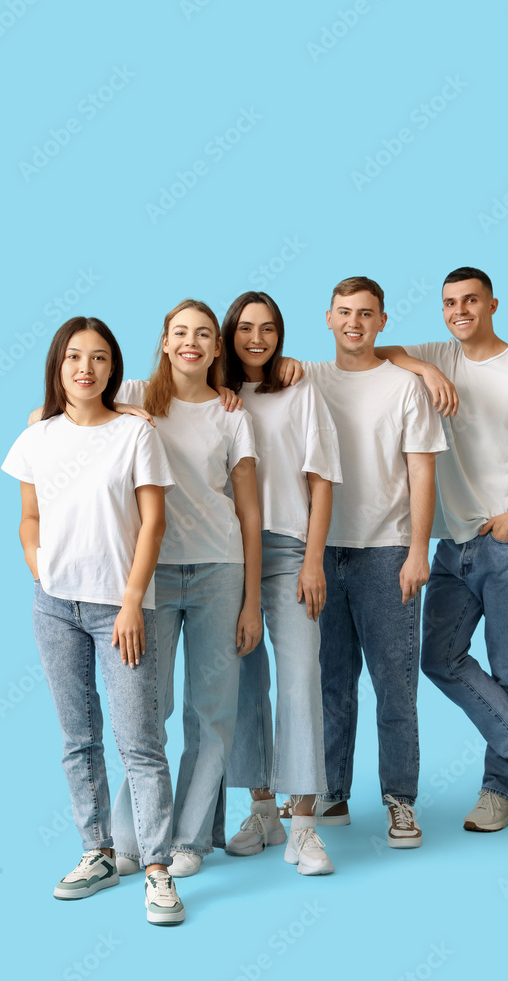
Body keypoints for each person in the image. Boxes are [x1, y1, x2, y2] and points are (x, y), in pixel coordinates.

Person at [376, 266, 508, 831]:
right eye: (448, 303)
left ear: (492, 304)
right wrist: (422, 368)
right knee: (439, 658)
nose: (459, 310)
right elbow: (379, 350)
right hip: (451, 546)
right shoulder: (440, 353)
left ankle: (499, 794)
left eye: (470, 300)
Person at [2, 317, 185, 925]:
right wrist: (41, 570)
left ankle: (156, 868)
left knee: (139, 740)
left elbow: (152, 523)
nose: (87, 367)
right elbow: (29, 517)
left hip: (119, 606)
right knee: (77, 738)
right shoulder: (37, 436)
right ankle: (97, 852)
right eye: (75, 356)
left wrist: (132, 601)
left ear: (113, 368)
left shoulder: (134, 434)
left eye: (100, 357)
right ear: (59, 365)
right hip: (54, 606)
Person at [287, 276, 447, 848]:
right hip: (321, 552)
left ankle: (400, 802)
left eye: (366, 314)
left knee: (395, 685)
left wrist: (417, 551)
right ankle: (332, 791)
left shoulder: (404, 386)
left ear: (382, 321)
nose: (354, 322)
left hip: (388, 552)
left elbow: (423, 471)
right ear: (327, 318)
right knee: (331, 681)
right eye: (344, 312)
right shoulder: (306, 378)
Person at [108, 299, 262, 878]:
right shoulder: (131, 395)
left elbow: (250, 513)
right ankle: (131, 837)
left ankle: (190, 840)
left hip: (219, 571)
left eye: (203, 334)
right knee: (146, 710)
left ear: (217, 348)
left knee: (212, 712)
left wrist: (251, 600)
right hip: (149, 578)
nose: (192, 341)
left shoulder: (232, 414)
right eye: (181, 333)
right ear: (166, 341)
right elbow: (57, 415)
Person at [220, 291, 342, 876]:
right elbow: (145, 392)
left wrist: (314, 560)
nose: (257, 339)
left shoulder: (300, 388)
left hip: (291, 548)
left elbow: (322, 482)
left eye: (268, 329)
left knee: (300, 681)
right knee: (244, 683)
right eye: (246, 328)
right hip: (225, 555)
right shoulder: (213, 395)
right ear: (229, 332)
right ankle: (262, 809)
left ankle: (304, 825)